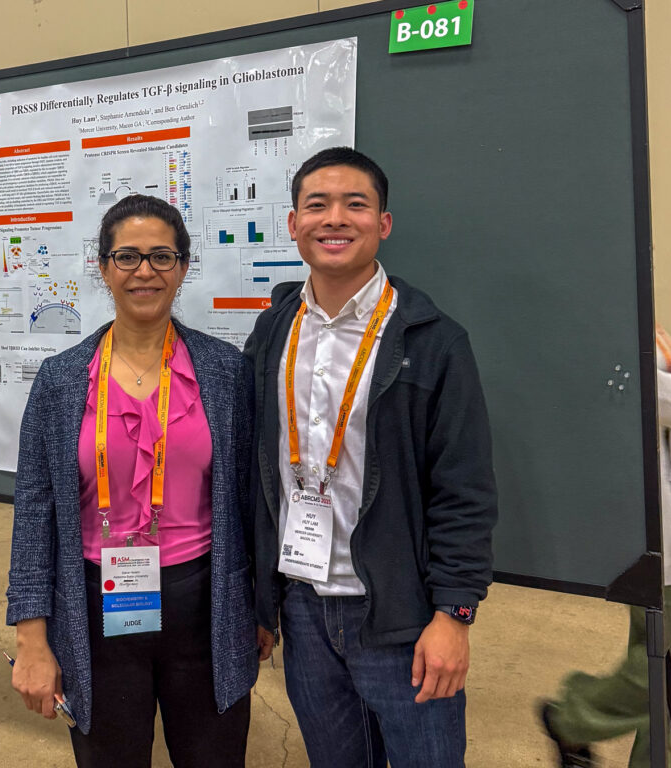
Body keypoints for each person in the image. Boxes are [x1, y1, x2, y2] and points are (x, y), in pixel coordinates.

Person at [245, 146, 498, 767]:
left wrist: (454, 614)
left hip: (400, 616)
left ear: (383, 223)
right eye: (317, 205)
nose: (335, 219)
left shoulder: (432, 340)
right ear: (293, 224)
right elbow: (254, 475)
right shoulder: (273, 330)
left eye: (355, 205)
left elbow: (463, 489)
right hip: (302, 606)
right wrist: (260, 603)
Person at [6, 195, 257, 768]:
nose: (145, 271)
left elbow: (249, 499)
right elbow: (34, 513)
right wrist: (31, 637)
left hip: (208, 606)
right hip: (96, 608)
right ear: (103, 267)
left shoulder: (225, 372)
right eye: (127, 256)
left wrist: (260, 610)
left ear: (184, 267)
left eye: (162, 256)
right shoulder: (62, 379)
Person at [540, 328, 671, 768]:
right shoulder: (601, 314)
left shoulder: (631, 304)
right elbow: (638, 389)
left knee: (663, 658)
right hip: (642, 513)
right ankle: (572, 717)